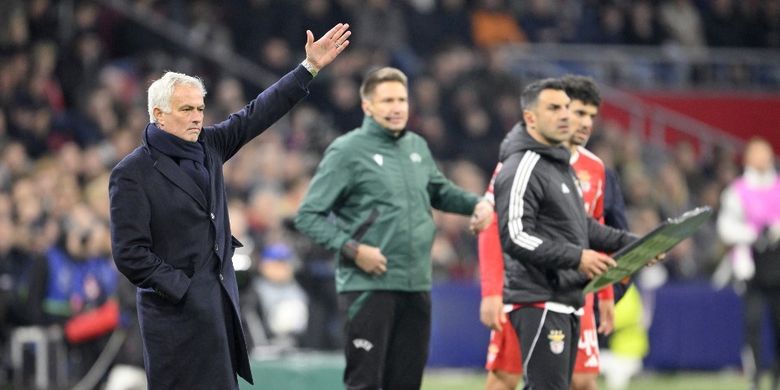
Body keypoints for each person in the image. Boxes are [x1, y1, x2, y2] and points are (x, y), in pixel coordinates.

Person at [108, 23, 352, 389]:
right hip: (173, 316)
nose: (196, 117)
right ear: (158, 115)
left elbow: (257, 113)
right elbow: (129, 253)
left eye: (200, 108)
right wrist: (183, 289)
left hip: (219, 307)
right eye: (186, 109)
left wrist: (308, 68)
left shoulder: (209, 145)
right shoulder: (131, 173)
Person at [294, 66, 493, 390]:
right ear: (367, 106)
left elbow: (440, 191)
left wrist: (478, 203)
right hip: (368, 285)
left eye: (401, 99)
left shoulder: (416, 146)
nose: (397, 107)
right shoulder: (347, 151)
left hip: (416, 283)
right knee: (365, 383)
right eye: (387, 100)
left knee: (407, 384)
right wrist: (354, 250)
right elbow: (308, 215)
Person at [492, 78, 637, 390]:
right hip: (539, 297)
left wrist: (634, 244)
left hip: (567, 298)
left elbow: (583, 226)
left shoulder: (562, 167)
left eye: (568, 109)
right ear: (530, 117)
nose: (567, 117)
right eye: (554, 108)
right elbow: (514, 235)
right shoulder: (522, 165)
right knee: (510, 379)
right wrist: (577, 257)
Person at [717, 137, 780, 390]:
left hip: (777, 261)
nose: (763, 159)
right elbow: (726, 228)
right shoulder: (737, 190)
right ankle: (754, 377)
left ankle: (776, 374)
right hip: (751, 264)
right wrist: (753, 234)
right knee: (752, 323)